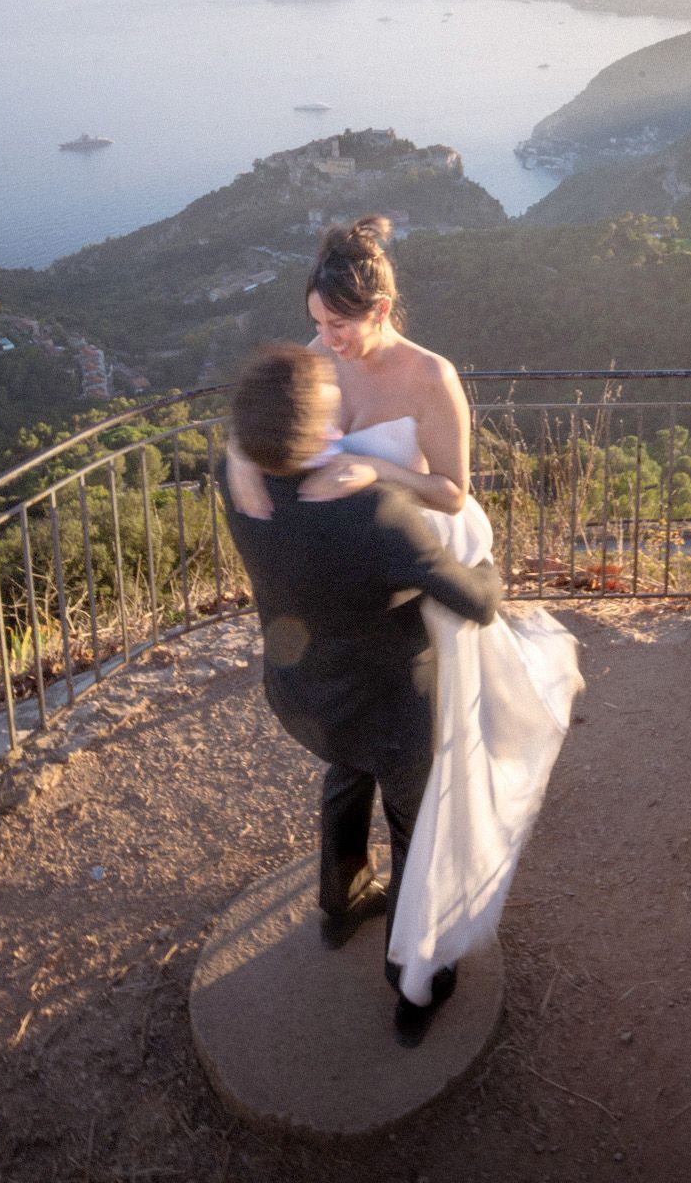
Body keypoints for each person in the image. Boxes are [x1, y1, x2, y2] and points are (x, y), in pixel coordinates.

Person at [226, 216, 583, 1007]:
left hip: (403, 561)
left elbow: (452, 491)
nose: (324, 341)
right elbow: (263, 421)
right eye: (315, 324)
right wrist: (238, 458)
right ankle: (384, 935)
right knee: (387, 771)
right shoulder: (315, 365)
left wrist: (365, 472)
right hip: (364, 582)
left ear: (381, 309)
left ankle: (363, 914)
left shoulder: (430, 377)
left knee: (361, 759)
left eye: (338, 325)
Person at [218, 340, 502, 1044]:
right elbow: (475, 603)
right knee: (414, 831)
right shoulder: (369, 511)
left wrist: (237, 450)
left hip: (302, 698)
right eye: (329, 413)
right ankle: (415, 987)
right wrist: (489, 564)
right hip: (390, 711)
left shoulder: (238, 480)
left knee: (345, 777)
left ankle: (340, 902)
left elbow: (236, 444)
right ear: (320, 433)